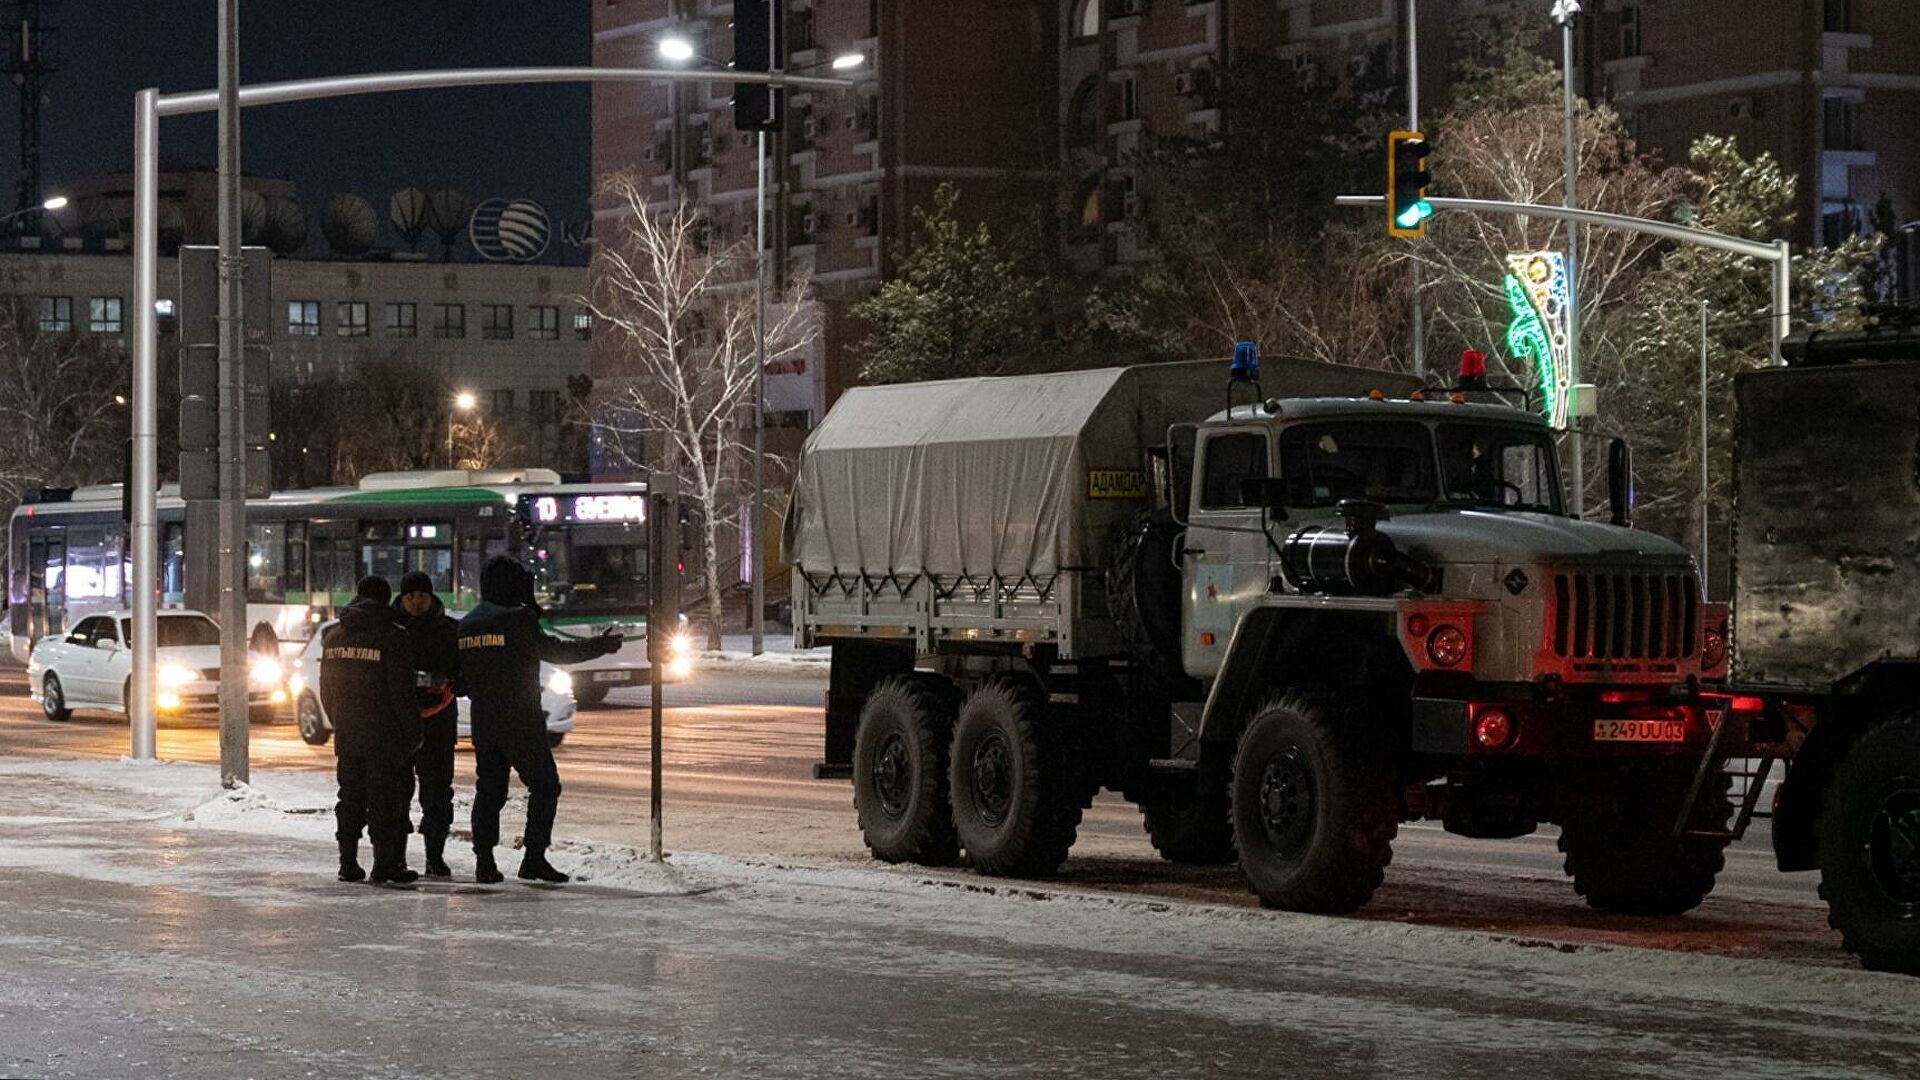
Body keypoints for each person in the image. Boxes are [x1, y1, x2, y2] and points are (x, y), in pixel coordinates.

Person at [459, 555, 620, 883]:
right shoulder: (515, 618)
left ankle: (484, 862)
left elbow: (460, 678)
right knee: (545, 785)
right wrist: (600, 646)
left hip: (483, 719)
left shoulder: (468, 623)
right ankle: (534, 858)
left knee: (489, 790)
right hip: (519, 716)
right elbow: (555, 651)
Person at [320, 575, 423, 885]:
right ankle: (384, 865)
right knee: (384, 800)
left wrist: (340, 722)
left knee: (350, 798)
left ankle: (347, 863)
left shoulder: (334, 638)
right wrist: (413, 732)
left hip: (348, 735)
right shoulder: (393, 637)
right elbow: (401, 692)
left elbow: (326, 690)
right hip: (385, 736)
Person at [393, 570, 460, 878]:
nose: (416, 602)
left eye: (422, 595)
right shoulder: (390, 630)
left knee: (437, 792)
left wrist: (449, 682)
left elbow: (462, 671)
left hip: (439, 723)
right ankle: (397, 857)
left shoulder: (449, 631)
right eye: (411, 596)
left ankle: (435, 855)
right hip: (399, 724)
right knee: (396, 792)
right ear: (402, 598)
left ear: (431, 597)